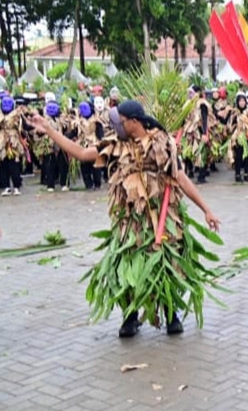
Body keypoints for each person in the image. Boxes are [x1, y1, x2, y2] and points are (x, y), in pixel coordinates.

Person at [27, 100, 221, 338]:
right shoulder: (114, 145)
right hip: (130, 220)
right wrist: (49, 130)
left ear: (134, 122)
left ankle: (171, 315)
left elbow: (180, 178)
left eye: (121, 121)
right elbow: (80, 153)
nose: (116, 124)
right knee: (127, 262)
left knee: (166, 261)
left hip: (161, 216)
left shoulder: (161, 142)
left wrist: (206, 210)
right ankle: (130, 316)